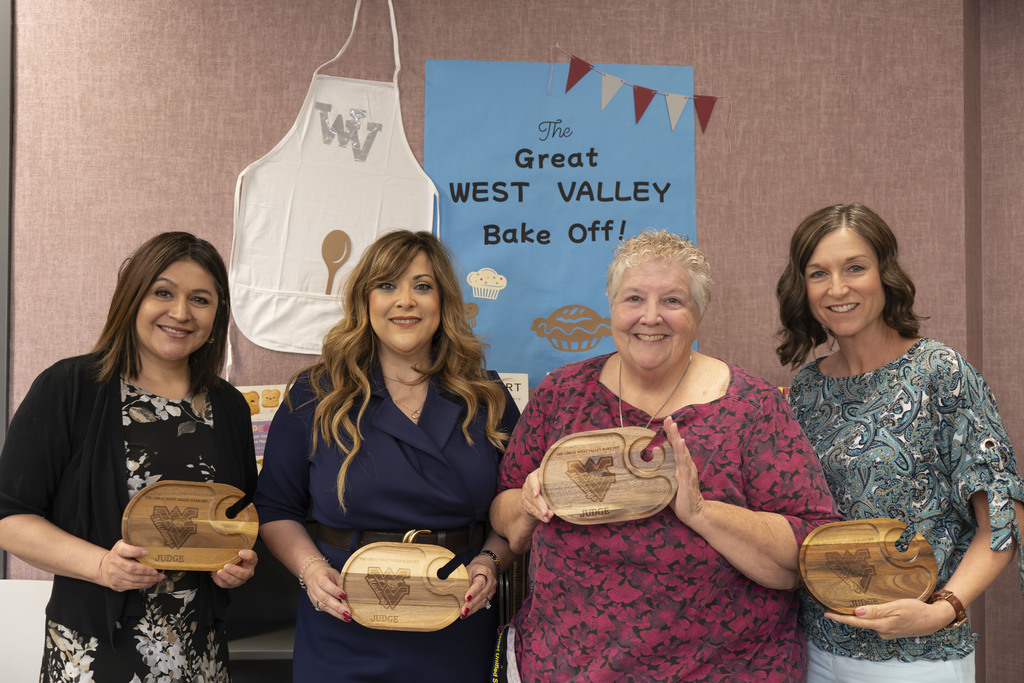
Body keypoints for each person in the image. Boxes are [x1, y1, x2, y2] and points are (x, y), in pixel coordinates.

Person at [490, 229, 839, 682]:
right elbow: (502, 513)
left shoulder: (751, 406)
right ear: (612, 308)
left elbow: (810, 550)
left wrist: (703, 513)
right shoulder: (562, 394)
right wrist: (526, 502)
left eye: (672, 301)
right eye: (634, 298)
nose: (650, 317)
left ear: (698, 314)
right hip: (563, 667)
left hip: (726, 670)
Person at [255, 230, 521, 682]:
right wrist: (311, 570)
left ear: (443, 301)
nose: (405, 301)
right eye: (387, 286)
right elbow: (276, 507)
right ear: (365, 301)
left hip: (455, 621)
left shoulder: (488, 394)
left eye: (422, 286)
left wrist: (491, 562)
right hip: (343, 620)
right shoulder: (315, 394)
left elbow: (517, 510)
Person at [776, 202, 1024, 682]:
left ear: (884, 275)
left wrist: (943, 608)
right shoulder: (805, 390)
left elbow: (1003, 517)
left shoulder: (940, 373)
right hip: (814, 648)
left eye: (855, 268)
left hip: (916, 656)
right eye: (818, 273)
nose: (838, 288)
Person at [0, 232, 258, 682]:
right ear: (132, 298)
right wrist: (102, 566)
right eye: (163, 292)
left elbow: (235, 518)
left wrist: (236, 562)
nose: (180, 313)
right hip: (95, 649)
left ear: (218, 316)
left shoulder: (230, 407)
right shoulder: (71, 387)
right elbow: (9, 517)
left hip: (199, 651)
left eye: (200, 299)